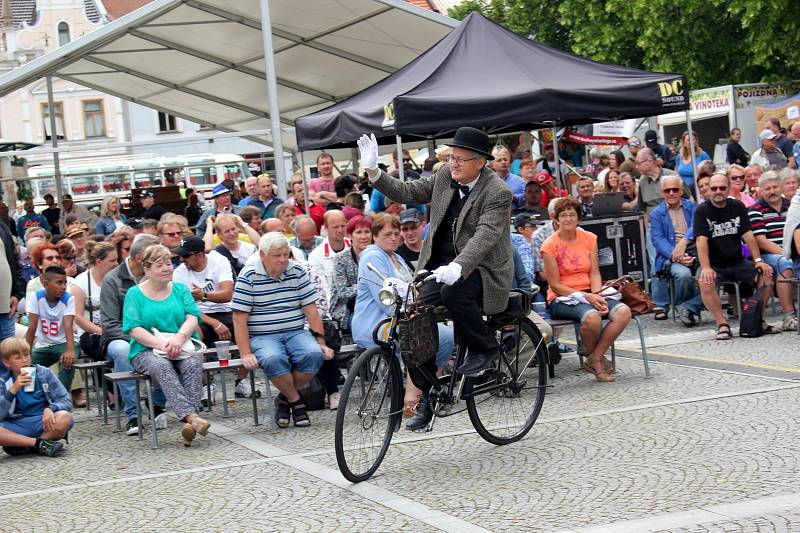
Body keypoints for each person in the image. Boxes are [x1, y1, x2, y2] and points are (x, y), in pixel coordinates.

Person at [358, 126, 513, 378]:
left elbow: (484, 236)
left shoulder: (497, 192)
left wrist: (459, 266)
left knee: (454, 292)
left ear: (481, 162)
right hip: (440, 266)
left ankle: (486, 350)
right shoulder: (444, 177)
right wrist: (374, 171)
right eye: (451, 157)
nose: (453, 163)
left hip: (482, 269)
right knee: (415, 314)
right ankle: (426, 388)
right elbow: (407, 192)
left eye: (460, 159)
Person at [352, 214, 455, 430]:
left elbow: (413, 291)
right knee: (433, 335)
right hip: (378, 321)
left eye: (396, 234)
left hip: (402, 318)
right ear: (375, 236)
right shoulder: (372, 256)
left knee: (443, 334)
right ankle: (413, 396)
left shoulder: (397, 258)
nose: (393, 238)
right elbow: (385, 298)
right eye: (387, 234)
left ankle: (427, 388)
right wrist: (412, 309)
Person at [232, 232, 332, 429]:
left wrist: (321, 342)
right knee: (272, 359)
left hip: (295, 331)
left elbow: (311, 311)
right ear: (262, 255)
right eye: (277, 255)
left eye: (286, 254)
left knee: (314, 355)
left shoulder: (297, 271)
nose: (283, 260)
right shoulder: (249, 274)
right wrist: (245, 353)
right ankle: (296, 402)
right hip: (263, 335)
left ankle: (284, 399)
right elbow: (239, 318)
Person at [123, 244, 210, 447]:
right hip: (146, 349)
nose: (166, 268)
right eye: (159, 265)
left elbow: (193, 317)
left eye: (169, 263)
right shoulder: (134, 294)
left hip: (181, 344)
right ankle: (192, 417)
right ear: (146, 269)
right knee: (161, 366)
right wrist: (162, 345)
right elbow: (133, 328)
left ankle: (190, 422)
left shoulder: (179, 289)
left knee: (193, 362)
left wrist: (179, 339)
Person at [541, 198, 631, 383]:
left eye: (572, 215)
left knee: (623, 312)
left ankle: (595, 357)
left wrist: (597, 294)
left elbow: (595, 272)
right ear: (556, 219)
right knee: (592, 317)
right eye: (563, 215)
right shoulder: (549, 246)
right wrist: (587, 297)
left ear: (579, 218)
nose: (568, 219)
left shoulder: (589, 238)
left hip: (590, 290)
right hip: (562, 296)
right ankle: (597, 363)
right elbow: (555, 284)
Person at [694, 173, 776, 340]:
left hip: (738, 262)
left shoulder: (737, 206)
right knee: (705, 281)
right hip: (715, 264)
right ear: (708, 190)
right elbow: (701, 241)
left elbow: (748, 235)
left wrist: (759, 261)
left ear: (728, 189)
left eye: (722, 188)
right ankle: (722, 324)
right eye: (714, 188)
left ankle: (756, 320)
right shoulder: (702, 210)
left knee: (767, 275)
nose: (718, 191)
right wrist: (706, 267)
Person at [101, 234, 165, 434]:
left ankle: (156, 403)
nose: (161, 263)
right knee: (123, 350)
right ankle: (133, 414)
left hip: (154, 336)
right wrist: (143, 339)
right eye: (155, 258)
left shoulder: (156, 277)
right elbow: (110, 325)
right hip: (119, 338)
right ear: (140, 258)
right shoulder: (112, 280)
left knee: (172, 348)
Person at [0, 337, 72, 457]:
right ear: (7, 363)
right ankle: (38, 445)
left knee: (65, 417)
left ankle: (24, 444)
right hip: (17, 423)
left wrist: (50, 408)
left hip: (43, 422)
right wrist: (13, 389)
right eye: (18, 358)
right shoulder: (3, 381)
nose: (24, 360)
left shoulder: (44, 373)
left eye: (27, 355)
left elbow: (66, 401)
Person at [649, 175, 703, 325]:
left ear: (681, 191)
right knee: (683, 275)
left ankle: (687, 307)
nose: (671, 193)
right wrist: (677, 255)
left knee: (709, 277)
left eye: (675, 189)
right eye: (667, 190)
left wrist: (685, 241)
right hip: (671, 256)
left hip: (696, 251)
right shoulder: (656, 214)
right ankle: (683, 306)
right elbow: (657, 240)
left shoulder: (692, 206)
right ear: (662, 192)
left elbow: (697, 226)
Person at [748, 171, 797, 331]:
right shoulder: (756, 209)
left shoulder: (791, 206)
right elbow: (760, 240)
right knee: (785, 263)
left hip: (792, 250)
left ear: (781, 187)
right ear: (761, 190)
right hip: (768, 255)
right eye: (767, 188)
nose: (772, 191)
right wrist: (786, 252)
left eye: (775, 187)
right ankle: (789, 315)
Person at [25, 266, 78, 392]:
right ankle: (29, 398)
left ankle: (61, 397)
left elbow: (68, 325)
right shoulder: (36, 297)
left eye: (65, 282)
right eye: (59, 283)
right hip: (43, 345)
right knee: (26, 366)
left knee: (68, 360)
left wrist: (70, 350)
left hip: (64, 343)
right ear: (46, 284)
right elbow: (32, 328)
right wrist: (26, 353)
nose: (64, 287)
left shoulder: (68, 298)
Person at [330, 215, 372, 333]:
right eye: (358, 232)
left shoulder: (376, 256)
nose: (363, 236)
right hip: (347, 310)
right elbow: (343, 292)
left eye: (367, 232)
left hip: (371, 307)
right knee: (367, 328)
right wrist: (366, 286)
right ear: (349, 236)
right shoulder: (340, 259)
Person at [307, 210, 352, 301]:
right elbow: (323, 290)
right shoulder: (316, 256)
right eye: (335, 227)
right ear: (325, 228)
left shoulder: (354, 248)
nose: (340, 230)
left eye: (343, 226)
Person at [0, 218, 24, 343]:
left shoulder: (2, 227)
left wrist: (16, 294)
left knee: (7, 358)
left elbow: (15, 262)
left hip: (5, 309)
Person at [213, 213, 257, 278]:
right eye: (227, 231)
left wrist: (243, 224)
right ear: (219, 235)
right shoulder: (216, 254)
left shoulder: (251, 248)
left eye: (233, 229)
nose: (232, 233)